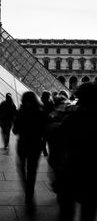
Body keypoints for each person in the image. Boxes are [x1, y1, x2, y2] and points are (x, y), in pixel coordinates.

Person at [58, 82, 97, 221]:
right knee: (89, 209)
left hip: (72, 167)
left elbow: (60, 139)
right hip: (92, 171)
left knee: (67, 210)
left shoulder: (72, 118)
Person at [13, 91, 47, 209]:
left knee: (22, 168)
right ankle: (29, 194)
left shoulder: (21, 113)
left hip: (23, 144)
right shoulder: (41, 113)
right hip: (36, 145)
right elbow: (44, 131)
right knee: (32, 170)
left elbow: (15, 131)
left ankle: (27, 191)